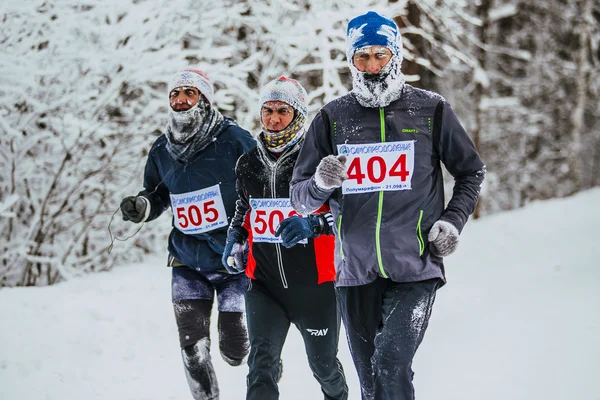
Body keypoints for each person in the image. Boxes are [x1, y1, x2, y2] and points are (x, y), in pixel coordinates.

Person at [289, 11, 486, 400]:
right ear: (351, 62)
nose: (372, 66)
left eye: (381, 55)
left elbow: (471, 172)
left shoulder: (430, 110)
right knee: (372, 385)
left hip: (415, 266)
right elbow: (300, 198)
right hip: (355, 272)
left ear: (396, 57)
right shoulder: (333, 117)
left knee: (390, 364)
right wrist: (320, 183)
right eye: (362, 57)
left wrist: (451, 223)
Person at [119, 69, 256, 400]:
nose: (180, 100)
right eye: (175, 95)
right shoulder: (162, 149)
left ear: (205, 101)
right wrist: (142, 205)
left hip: (231, 259)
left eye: (189, 94)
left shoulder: (235, 140)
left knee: (235, 349)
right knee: (192, 346)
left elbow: (262, 182)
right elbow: (157, 194)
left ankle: (266, 361)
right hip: (187, 259)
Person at [221, 76, 348, 400]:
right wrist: (234, 239)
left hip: (316, 288)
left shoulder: (318, 159)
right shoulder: (247, 162)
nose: (273, 119)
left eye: (282, 111)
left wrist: (314, 225)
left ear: (299, 115)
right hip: (264, 287)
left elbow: (346, 215)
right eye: (267, 110)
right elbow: (243, 209)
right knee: (260, 369)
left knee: (324, 368)